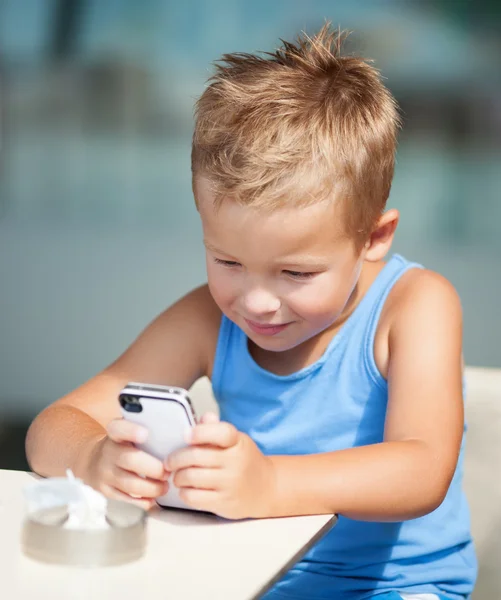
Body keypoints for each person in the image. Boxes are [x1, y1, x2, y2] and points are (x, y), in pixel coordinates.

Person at [25, 23, 476, 600]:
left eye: (296, 273)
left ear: (373, 237)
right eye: (228, 261)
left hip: (397, 588)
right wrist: (93, 458)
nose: (256, 302)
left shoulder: (415, 306)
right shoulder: (207, 320)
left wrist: (269, 483)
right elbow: (50, 429)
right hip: (251, 579)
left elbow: (421, 469)